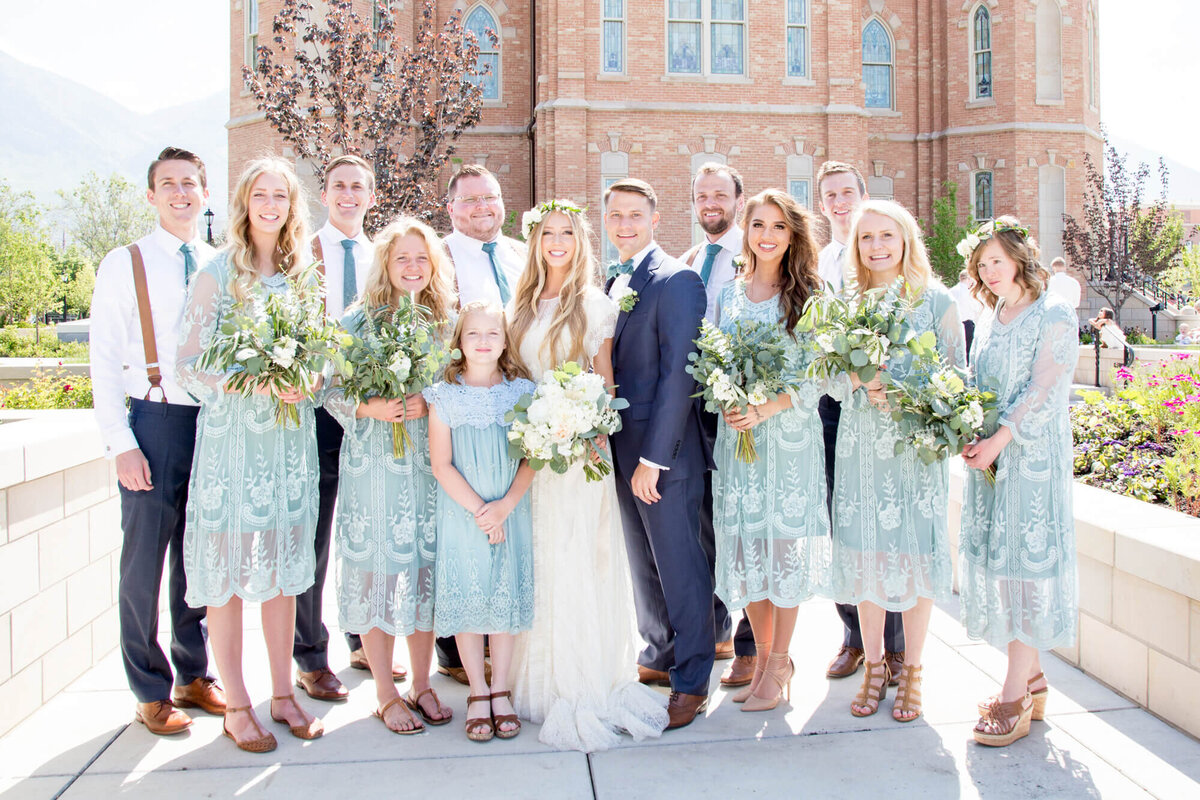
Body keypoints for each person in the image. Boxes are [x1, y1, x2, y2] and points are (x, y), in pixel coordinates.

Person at [508, 200, 669, 751]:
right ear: (534, 240)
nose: (557, 242)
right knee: (539, 561)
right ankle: (538, 675)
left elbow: (607, 385)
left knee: (580, 559)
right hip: (529, 454)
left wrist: (586, 428)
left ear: (580, 242)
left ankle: (584, 678)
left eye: (567, 233)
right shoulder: (521, 307)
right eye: (548, 232)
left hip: (579, 458)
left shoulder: (594, 305)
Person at [177, 157, 324, 752]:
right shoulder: (217, 272)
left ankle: (283, 693)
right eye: (260, 194)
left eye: (281, 196)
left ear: (292, 206)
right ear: (243, 202)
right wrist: (256, 381)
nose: (270, 205)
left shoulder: (304, 274)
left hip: (289, 443)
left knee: (285, 573)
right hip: (234, 447)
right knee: (232, 576)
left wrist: (308, 377)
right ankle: (237, 703)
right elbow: (188, 364)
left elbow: (319, 352)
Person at [90, 146, 226, 735]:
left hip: (216, 424)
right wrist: (120, 441)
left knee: (198, 555)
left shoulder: (221, 261)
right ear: (151, 196)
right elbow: (100, 358)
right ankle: (149, 686)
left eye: (190, 183)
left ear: (204, 192)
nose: (180, 193)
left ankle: (193, 674)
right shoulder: (126, 263)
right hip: (155, 421)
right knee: (143, 560)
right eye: (167, 184)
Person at [831, 200, 964, 723]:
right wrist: (858, 379)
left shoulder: (936, 302)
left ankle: (913, 672)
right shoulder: (847, 302)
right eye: (866, 238)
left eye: (887, 235)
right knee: (866, 556)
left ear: (906, 239)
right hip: (861, 444)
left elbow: (956, 378)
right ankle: (876, 666)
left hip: (914, 452)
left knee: (912, 557)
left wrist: (903, 391)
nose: (877, 246)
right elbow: (828, 380)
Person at [323, 217, 457, 734]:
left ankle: (422, 682)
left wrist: (437, 399)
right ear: (384, 263)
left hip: (430, 467)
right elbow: (329, 391)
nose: (412, 267)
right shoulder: (356, 322)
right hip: (373, 467)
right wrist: (370, 408)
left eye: (421, 258)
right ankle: (384, 691)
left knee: (425, 572)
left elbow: (463, 382)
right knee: (379, 574)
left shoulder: (444, 320)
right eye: (402, 257)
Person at [958, 217, 1077, 746]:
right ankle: (1033, 680)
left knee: (1023, 570)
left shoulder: (1053, 311)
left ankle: (1014, 696)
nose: (989, 272)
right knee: (1003, 570)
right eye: (982, 265)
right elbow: (980, 380)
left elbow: (1046, 388)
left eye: (997, 262)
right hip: (991, 461)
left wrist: (1001, 439)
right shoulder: (993, 313)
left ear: (1020, 258)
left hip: (1030, 460)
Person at [712, 190, 832, 712]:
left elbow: (818, 374)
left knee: (782, 553)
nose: (767, 235)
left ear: (792, 235)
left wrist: (767, 406)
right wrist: (726, 398)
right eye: (758, 224)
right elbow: (713, 355)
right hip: (739, 443)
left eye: (778, 226)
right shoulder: (731, 293)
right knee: (749, 554)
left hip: (787, 441)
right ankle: (763, 659)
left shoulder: (810, 295)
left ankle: (781, 658)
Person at [603, 178, 714, 730]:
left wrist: (655, 459)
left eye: (634, 215)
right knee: (642, 562)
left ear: (654, 217)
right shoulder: (612, 279)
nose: (624, 224)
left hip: (662, 454)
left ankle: (693, 678)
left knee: (680, 563)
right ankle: (659, 653)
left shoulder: (677, 280)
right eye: (615, 215)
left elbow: (678, 378)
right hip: (619, 448)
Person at [296, 154, 386, 703]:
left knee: (367, 527)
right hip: (315, 412)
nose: (349, 195)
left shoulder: (384, 256)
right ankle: (311, 653)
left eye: (358, 186)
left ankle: (362, 637)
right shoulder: (300, 255)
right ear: (324, 195)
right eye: (339, 187)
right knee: (317, 532)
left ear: (371, 196)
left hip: (374, 411)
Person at [424, 302, 536, 741]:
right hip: (463, 514)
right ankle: (477, 690)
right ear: (459, 343)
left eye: (493, 333)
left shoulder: (521, 392)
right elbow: (441, 464)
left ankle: (501, 690)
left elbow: (534, 454)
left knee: (504, 604)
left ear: (505, 341)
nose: (484, 341)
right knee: (471, 602)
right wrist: (480, 511)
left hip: (512, 510)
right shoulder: (444, 395)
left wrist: (505, 505)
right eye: (473, 334)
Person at [814, 161, 905, 683]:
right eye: (830, 195)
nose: (839, 202)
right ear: (823, 204)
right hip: (836, 406)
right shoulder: (823, 261)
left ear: (864, 194)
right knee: (843, 524)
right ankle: (854, 637)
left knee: (889, 524)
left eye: (847, 192)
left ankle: (893, 646)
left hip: (889, 407)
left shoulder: (886, 252)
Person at [679, 163, 754, 687]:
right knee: (706, 522)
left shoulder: (753, 257)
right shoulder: (687, 261)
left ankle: (753, 643)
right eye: (702, 195)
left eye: (720, 195)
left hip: (742, 409)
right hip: (694, 410)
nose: (711, 203)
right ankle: (720, 629)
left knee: (745, 521)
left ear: (738, 200)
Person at [443, 164, 526, 307]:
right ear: (451, 209)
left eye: (489, 197)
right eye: (469, 199)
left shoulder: (526, 254)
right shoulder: (437, 258)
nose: (482, 205)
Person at [949, 269, 984, 360]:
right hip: (967, 324)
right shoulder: (969, 293)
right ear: (968, 279)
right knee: (968, 350)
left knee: (955, 349)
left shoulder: (952, 291)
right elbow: (976, 309)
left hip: (954, 324)